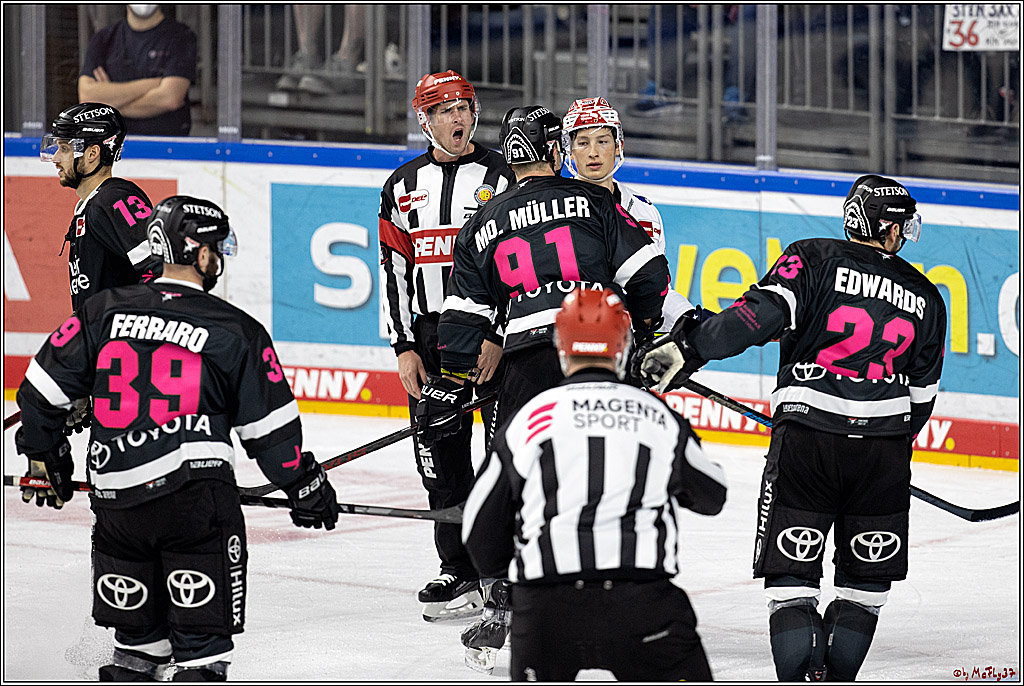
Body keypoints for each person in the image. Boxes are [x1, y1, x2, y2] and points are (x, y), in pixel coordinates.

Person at [15, 195, 340, 682]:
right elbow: (271, 434)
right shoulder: (235, 329)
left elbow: (38, 395)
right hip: (195, 504)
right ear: (201, 253)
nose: (220, 258)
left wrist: (47, 457)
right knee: (199, 658)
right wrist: (307, 488)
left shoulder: (101, 311)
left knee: (137, 654)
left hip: (117, 506)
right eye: (217, 248)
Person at [636, 174, 947, 681]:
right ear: (890, 229)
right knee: (864, 590)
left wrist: (689, 347)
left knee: (792, 579)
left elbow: (754, 319)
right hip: (882, 453)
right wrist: (880, 448)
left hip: (807, 443)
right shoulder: (928, 296)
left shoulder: (813, 257)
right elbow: (920, 401)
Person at [413, 104, 670, 672]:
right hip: (597, 357)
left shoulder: (484, 221)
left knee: (511, 480)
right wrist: (648, 335)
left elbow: (461, 319)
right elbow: (650, 279)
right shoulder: (601, 203)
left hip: (526, 365)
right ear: (557, 151)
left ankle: (500, 604)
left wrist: (453, 380)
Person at [461, 287, 727, 680]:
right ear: (624, 346)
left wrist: (518, 575)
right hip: (641, 605)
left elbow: (477, 529)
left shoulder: (531, 418)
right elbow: (712, 494)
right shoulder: (656, 416)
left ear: (561, 347)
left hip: (547, 611)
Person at [378, 70, 515, 622]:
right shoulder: (400, 186)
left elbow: (515, 266)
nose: (457, 118)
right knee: (439, 460)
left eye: (464, 107)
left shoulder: (504, 178)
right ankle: (457, 568)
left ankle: (499, 571)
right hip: (430, 340)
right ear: (424, 120)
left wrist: (498, 335)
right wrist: (403, 346)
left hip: (487, 337)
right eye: (444, 110)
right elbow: (392, 271)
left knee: (501, 459)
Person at [41, 102, 164, 434]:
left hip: (131, 376)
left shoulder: (113, 200)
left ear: (92, 154)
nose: (55, 157)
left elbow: (160, 270)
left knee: (117, 478)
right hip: (112, 368)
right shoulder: (92, 205)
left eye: (65, 149)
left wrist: (126, 353)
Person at [560, 96, 699, 334]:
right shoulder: (555, 207)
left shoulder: (645, 211)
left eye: (602, 141)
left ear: (618, 146)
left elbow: (654, 292)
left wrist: (689, 319)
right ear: (570, 152)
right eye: (583, 143)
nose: (593, 153)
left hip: (627, 342)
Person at [78, 4, 197, 136]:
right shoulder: (103, 40)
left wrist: (107, 103)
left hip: (166, 149)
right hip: (112, 146)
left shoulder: (181, 37)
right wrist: (154, 84)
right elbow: (87, 97)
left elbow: (170, 98)